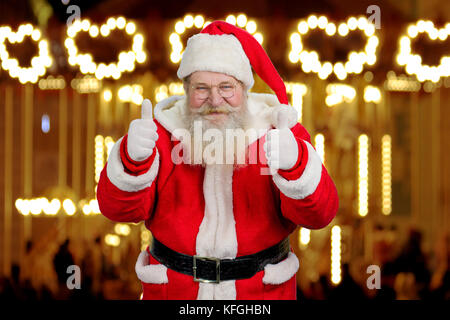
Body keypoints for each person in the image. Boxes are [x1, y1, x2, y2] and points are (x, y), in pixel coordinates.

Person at [97, 21, 338, 300]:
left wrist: (296, 163)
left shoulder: (278, 131)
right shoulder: (160, 133)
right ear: (187, 90)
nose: (215, 99)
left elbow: (321, 214)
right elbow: (116, 210)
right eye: (202, 88)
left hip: (260, 295)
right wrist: (131, 159)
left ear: (244, 89)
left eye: (226, 87)